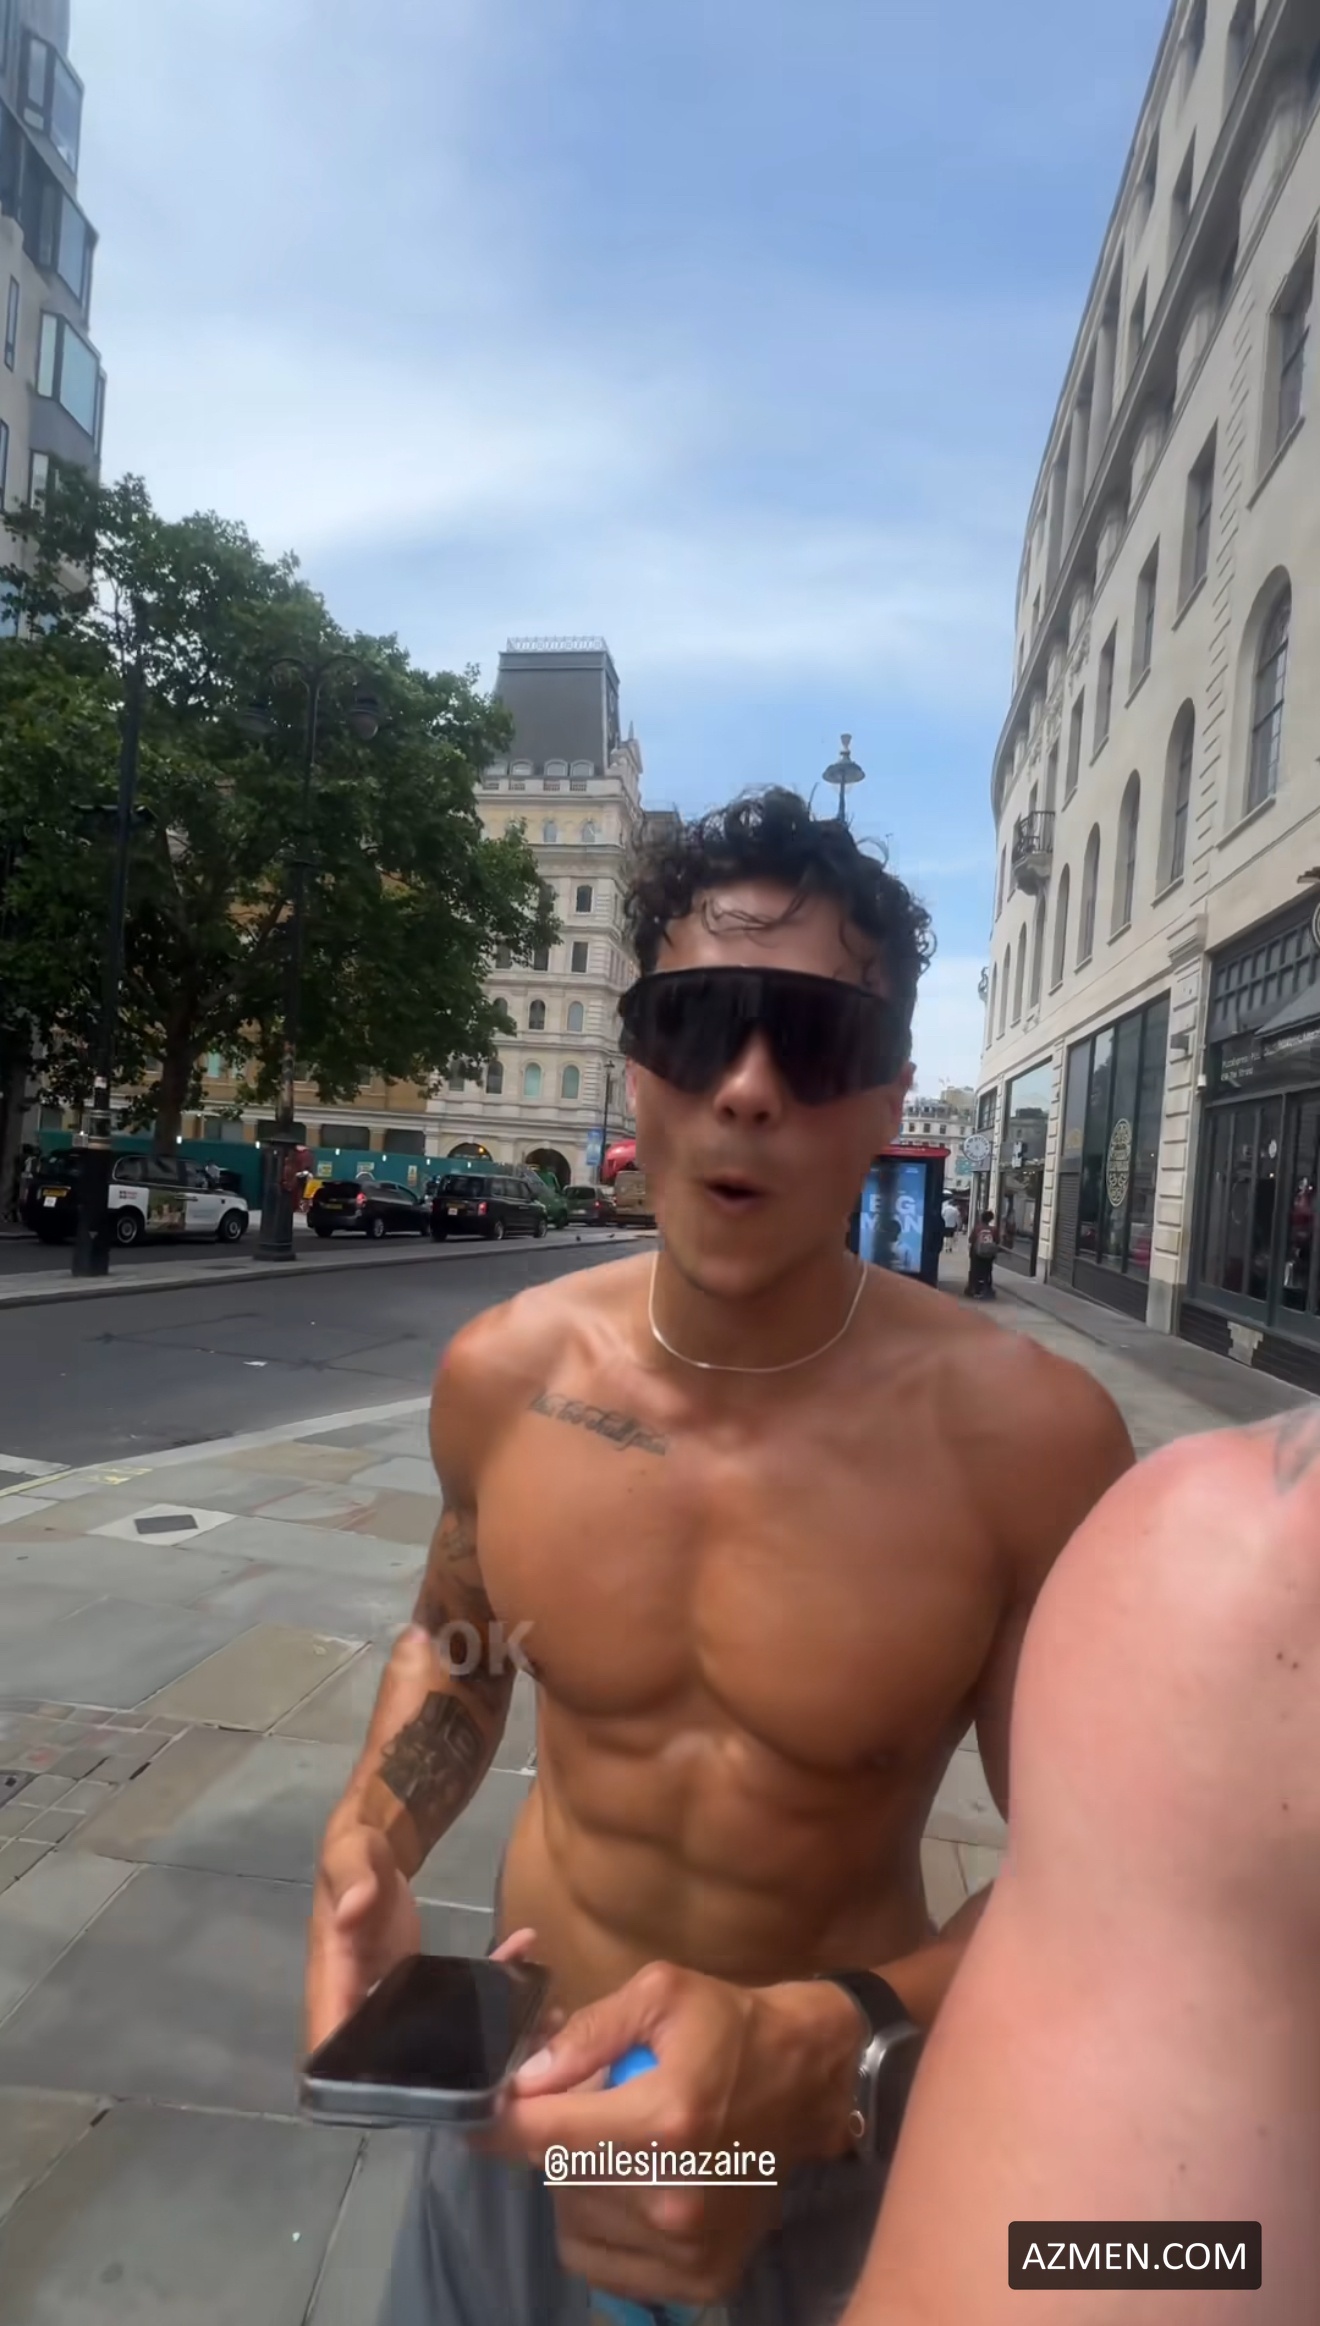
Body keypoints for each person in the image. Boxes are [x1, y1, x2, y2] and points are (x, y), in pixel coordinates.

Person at [305, 788, 1133, 2326]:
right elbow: (460, 1646)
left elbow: (1109, 1885)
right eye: (698, 1027)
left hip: (809, 2152)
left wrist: (837, 2051)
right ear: (639, 1067)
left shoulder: (1026, 1441)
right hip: (526, 2108)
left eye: (813, 1041)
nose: (748, 1088)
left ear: (887, 1101)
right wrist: (370, 1838)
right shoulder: (504, 1372)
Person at [841, 1403, 1320, 2325]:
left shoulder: (1229, 1549)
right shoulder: (1241, 1563)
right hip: (555, 2076)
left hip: (837, 2107)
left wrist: (845, 2031)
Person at [965, 1208, 998, 1300]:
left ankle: (973, 1288)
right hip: (988, 1256)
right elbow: (997, 1241)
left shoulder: (977, 1228)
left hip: (977, 1254)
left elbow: (971, 1240)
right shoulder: (994, 1229)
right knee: (987, 1272)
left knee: (974, 1271)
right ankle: (987, 1289)